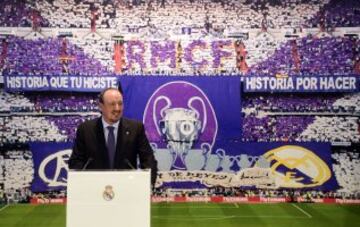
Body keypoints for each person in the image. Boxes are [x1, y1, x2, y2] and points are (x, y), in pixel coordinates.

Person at [69, 87, 158, 185]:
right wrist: (81, 184)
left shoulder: (136, 128)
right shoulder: (85, 130)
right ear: (101, 106)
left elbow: (148, 159)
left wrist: (147, 185)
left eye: (120, 103)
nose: (117, 108)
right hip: (95, 189)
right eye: (112, 104)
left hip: (127, 188)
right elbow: (76, 162)